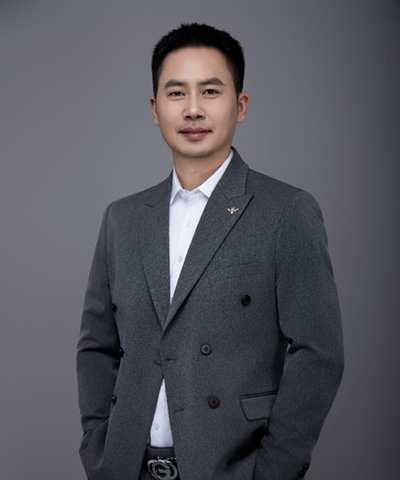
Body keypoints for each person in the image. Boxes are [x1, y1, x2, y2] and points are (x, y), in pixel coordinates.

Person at [77, 23, 344, 480]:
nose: (193, 109)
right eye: (176, 93)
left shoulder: (286, 211)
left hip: (232, 468)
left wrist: (272, 470)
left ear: (240, 105)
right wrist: (98, 446)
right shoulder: (122, 218)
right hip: (126, 468)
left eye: (211, 91)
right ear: (155, 108)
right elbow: (97, 346)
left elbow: (320, 354)